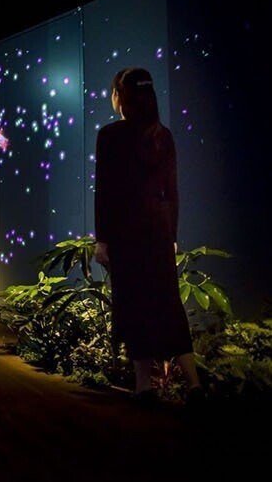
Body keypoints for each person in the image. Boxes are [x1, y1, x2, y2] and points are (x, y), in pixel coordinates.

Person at [93, 68, 206, 406]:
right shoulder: (162, 135)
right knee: (169, 304)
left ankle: (144, 387)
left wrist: (102, 240)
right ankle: (194, 384)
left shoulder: (110, 135)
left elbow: (105, 192)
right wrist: (171, 235)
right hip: (158, 231)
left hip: (125, 233)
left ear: (120, 96)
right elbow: (172, 191)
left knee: (133, 305)